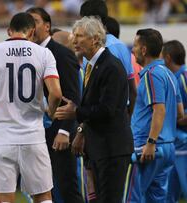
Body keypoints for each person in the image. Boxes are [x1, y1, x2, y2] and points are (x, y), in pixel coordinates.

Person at [0, 12, 62, 203]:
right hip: (33, 135)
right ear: (32, 31)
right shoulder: (44, 54)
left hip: (2, 137)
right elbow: (56, 94)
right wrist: (50, 114)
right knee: (43, 196)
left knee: (4, 199)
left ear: (9, 31)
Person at [55, 16, 134, 203]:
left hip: (112, 148)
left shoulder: (111, 67)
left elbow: (107, 109)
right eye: (74, 35)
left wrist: (76, 112)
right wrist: (81, 130)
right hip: (100, 147)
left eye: (80, 36)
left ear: (95, 39)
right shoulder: (94, 65)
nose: (74, 40)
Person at [26, 7, 83, 203]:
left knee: (65, 186)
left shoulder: (61, 54)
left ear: (47, 26)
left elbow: (73, 96)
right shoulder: (27, 54)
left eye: (35, 21)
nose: (31, 26)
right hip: (35, 131)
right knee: (42, 188)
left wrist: (65, 131)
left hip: (58, 131)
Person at [127, 29, 182, 203]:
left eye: (135, 46)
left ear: (143, 49)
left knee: (132, 197)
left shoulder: (151, 74)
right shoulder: (170, 75)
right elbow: (179, 112)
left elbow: (159, 109)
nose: (133, 50)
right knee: (157, 199)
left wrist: (151, 142)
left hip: (149, 147)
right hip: (167, 147)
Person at [80, 0, 137, 115]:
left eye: (82, 21)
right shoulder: (120, 46)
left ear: (91, 21)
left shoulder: (103, 49)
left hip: (104, 116)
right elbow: (132, 89)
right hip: (116, 114)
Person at [162, 40, 187, 202]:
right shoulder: (173, 78)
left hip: (184, 144)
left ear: (168, 58)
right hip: (174, 144)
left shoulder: (183, 78)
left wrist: (177, 119)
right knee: (169, 193)